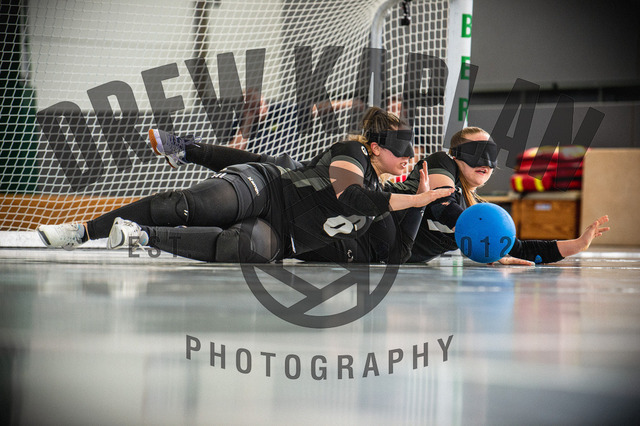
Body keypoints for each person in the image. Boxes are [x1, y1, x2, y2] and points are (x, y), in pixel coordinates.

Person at [37, 107, 454, 264]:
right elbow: (351, 195)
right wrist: (412, 198)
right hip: (269, 189)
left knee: (237, 248)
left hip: (284, 238)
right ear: (377, 148)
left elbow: (397, 255)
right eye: (403, 153)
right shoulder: (353, 152)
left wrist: (419, 204)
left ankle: (141, 235)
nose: (410, 160)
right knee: (186, 207)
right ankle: (82, 231)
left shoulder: (390, 195)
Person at [148, 124, 609, 265]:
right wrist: (484, 241)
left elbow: (514, 246)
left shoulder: (477, 210)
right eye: (476, 155)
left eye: (491, 158)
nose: (485, 164)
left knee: (253, 235)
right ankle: (188, 150)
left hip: (352, 245)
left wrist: (572, 245)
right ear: (456, 155)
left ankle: (148, 234)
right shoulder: (442, 170)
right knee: (279, 169)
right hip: (360, 219)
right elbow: (442, 202)